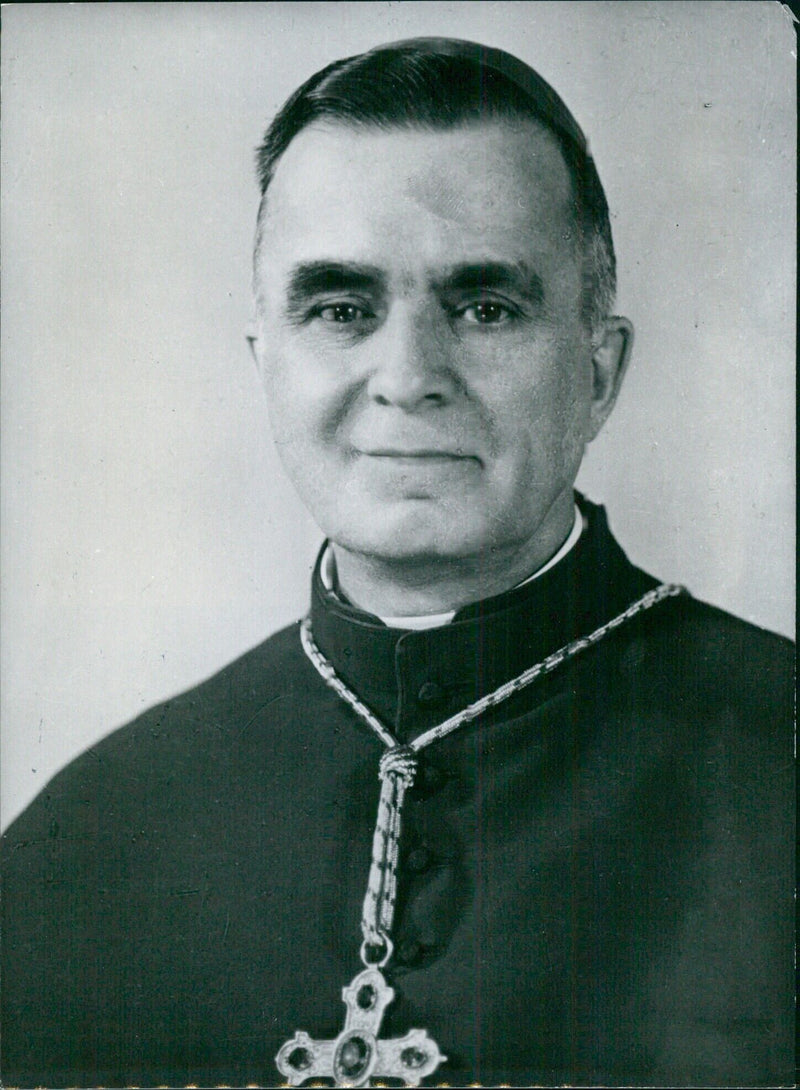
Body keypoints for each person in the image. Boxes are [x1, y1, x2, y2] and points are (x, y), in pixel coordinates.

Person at [1, 37, 793, 1089]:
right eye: (341, 309)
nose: (409, 376)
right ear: (265, 365)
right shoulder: (91, 835)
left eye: (485, 307)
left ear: (597, 372)